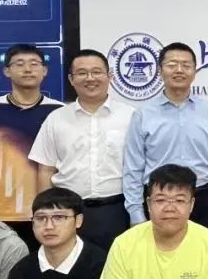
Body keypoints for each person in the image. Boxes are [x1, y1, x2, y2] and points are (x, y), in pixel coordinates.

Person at [0, 43, 64, 249]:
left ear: (44, 71)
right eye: (20, 64)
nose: (27, 69)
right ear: (7, 71)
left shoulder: (59, 112)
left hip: (47, 211)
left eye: (34, 64)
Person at [30, 49, 136, 252]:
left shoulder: (130, 116)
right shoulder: (56, 118)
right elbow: (45, 169)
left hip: (117, 210)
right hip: (67, 211)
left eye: (96, 72)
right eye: (82, 73)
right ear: (71, 79)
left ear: (110, 76)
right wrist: (45, 212)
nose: (90, 78)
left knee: (117, 266)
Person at [123, 42, 208, 233]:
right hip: (158, 199)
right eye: (172, 65)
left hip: (201, 198)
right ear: (160, 71)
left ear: (194, 72)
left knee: (199, 251)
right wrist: (136, 212)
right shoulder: (143, 114)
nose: (179, 70)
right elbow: (133, 168)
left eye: (186, 65)